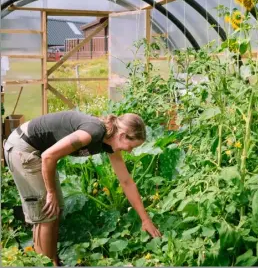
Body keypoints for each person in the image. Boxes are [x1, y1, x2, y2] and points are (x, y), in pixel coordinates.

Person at [3, 111, 161, 266]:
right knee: (46, 213)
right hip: (23, 147)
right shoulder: (93, 132)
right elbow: (48, 157)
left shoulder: (109, 143)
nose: (130, 151)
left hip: (40, 152)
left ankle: (52, 261)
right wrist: (50, 193)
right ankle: (41, 264)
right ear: (122, 135)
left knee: (56, 210)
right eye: (131, 146)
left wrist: (145, 219)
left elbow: (126, 182)